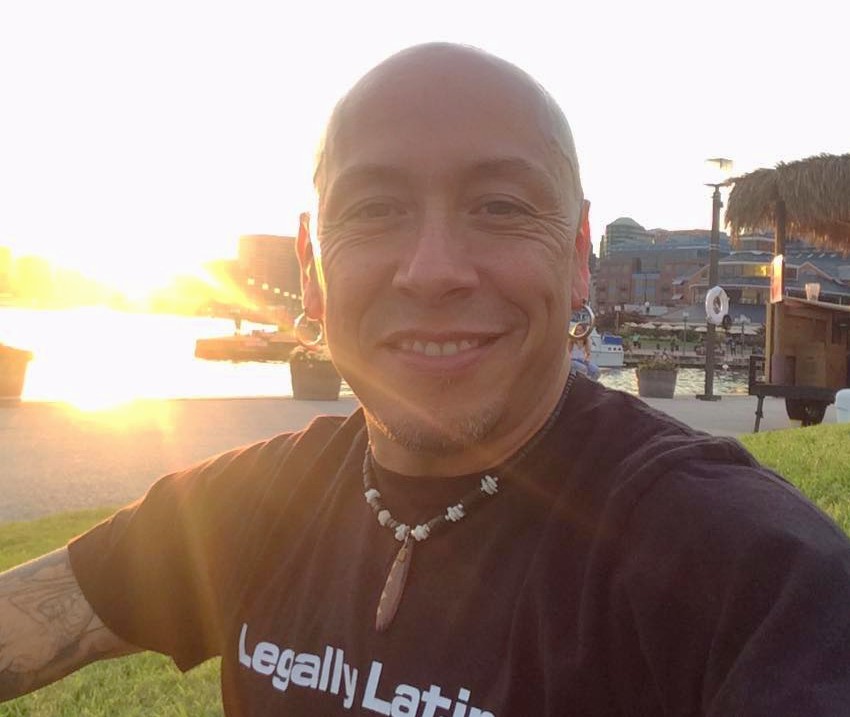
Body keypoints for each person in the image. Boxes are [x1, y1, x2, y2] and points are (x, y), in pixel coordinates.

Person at [3, 43, 850, 716]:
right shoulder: (249, 506)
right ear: (312, 266)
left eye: (499, 207)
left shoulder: (741, 568)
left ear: (577, 255)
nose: (433, 269)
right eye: (374, 209)